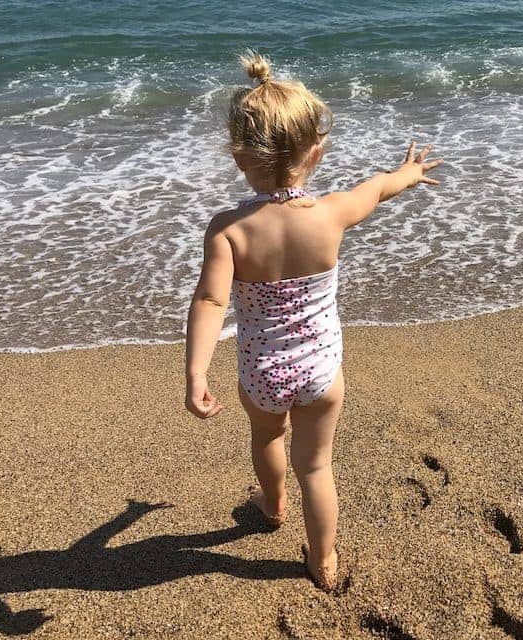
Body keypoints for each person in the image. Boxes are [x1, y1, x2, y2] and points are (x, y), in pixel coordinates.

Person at [183, 50, 442, 591]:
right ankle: (324, 560)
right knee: (317, 467)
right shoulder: (330, 214)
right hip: (322, 371)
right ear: (316, 154)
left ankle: (272, 504)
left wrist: (196, 373)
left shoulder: (228, 230)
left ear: (239, 158)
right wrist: (410, 173)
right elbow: (377, 188)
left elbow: (209, 301)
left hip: (262, 374)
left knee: (267, 438)